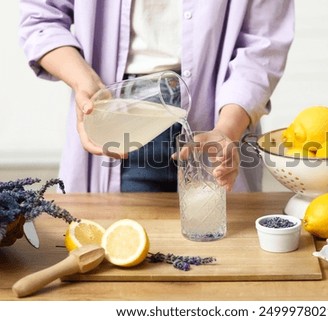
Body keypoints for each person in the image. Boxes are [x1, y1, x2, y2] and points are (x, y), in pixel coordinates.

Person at [18, 0, 295, 193]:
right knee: (125, 250)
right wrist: (85, 84)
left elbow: (263, 44)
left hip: (220, 113)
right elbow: (41, 17)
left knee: (219, 246)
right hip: (119, 111)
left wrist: (227, 129)